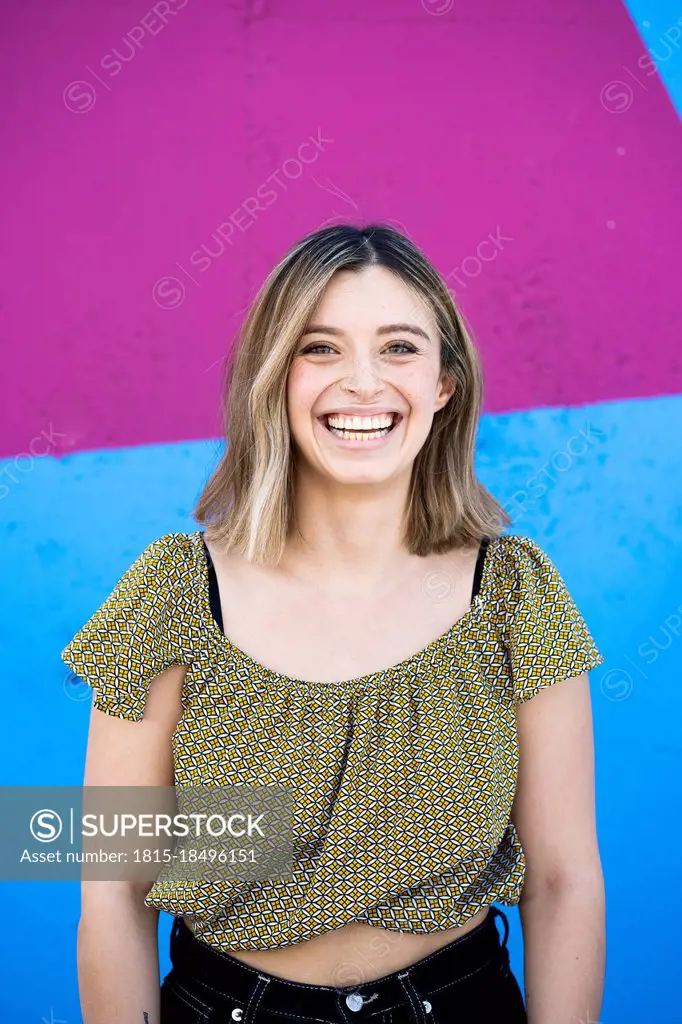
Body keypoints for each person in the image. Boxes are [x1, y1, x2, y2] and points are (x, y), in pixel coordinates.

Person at [62, 223, 606, 1024]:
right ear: (275, 378)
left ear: (444, 384)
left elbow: (564, 878)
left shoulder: (516, 596)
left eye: (398, 348)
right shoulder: (174, 591)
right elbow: (112, 887)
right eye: (320, 348)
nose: (362, 383)